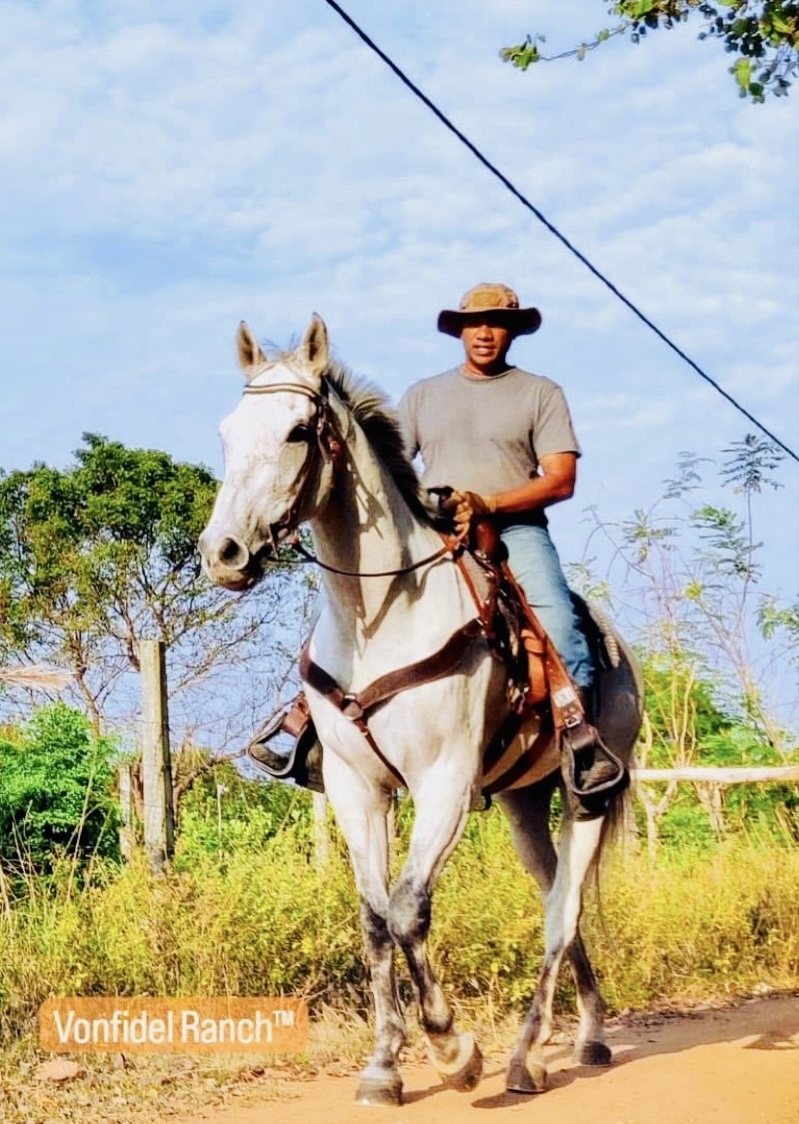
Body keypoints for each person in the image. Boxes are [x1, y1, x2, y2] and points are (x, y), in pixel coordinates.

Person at [398, 281, 593, 694]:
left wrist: (489, 503)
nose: (484, 333)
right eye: (475, 324)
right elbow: (393, 470)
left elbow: (561, 481)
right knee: (355, 605)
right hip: (434, 528)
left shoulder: (541, 393)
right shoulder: (421, 395)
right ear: (461, 332)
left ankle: (583, 736)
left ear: (513, 333)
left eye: (497, 325)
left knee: (558, 620)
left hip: (515, 531)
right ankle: (309, 732)